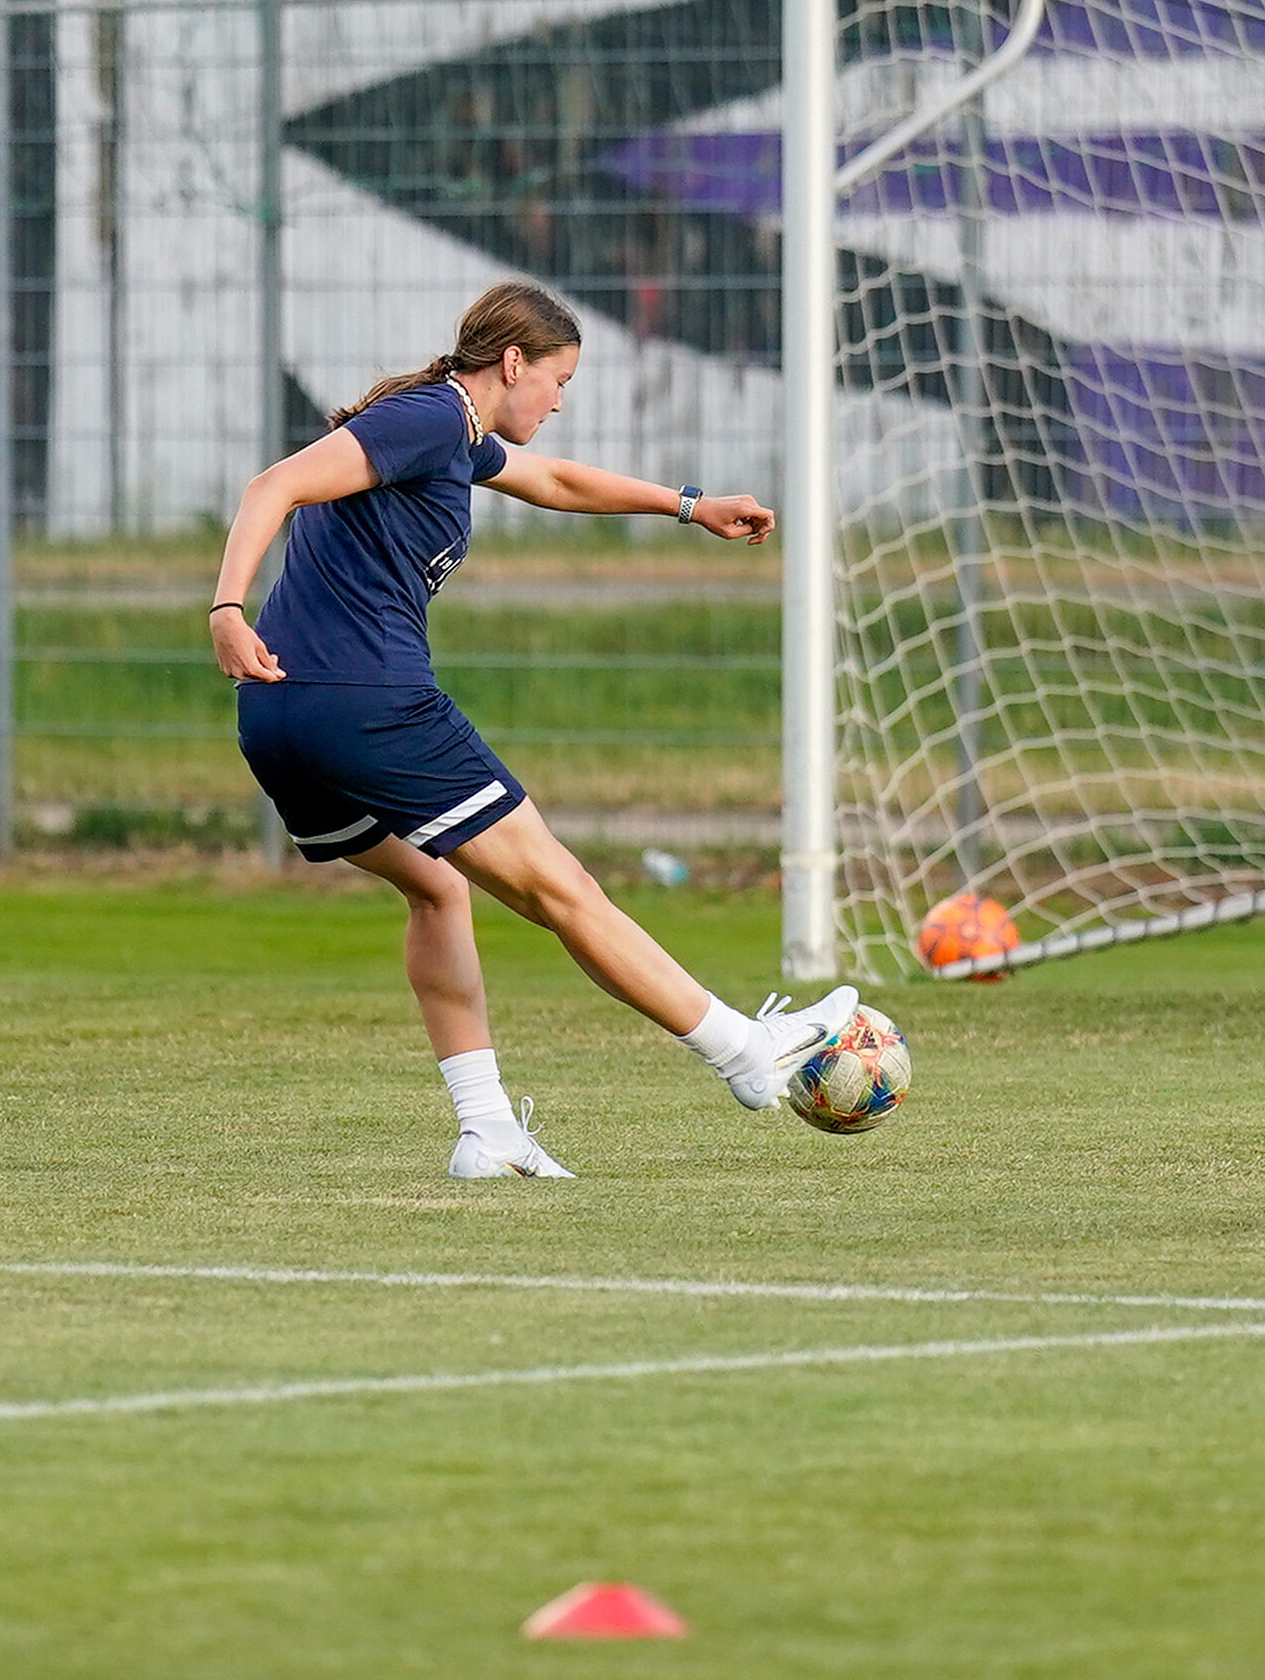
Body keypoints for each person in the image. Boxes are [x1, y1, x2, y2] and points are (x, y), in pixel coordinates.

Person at [208, 280, 862, 1178]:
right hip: (367, 703)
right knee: (565, 889)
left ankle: (486, 1132)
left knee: (438, 891)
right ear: (513, 363)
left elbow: (553, 481)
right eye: (559, 380)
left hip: (279, 718)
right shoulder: (430, 419)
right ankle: (744, 1052)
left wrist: (689, 505)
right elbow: (272, 485)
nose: (559, 403)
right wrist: (227, 608)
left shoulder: (453, 433)